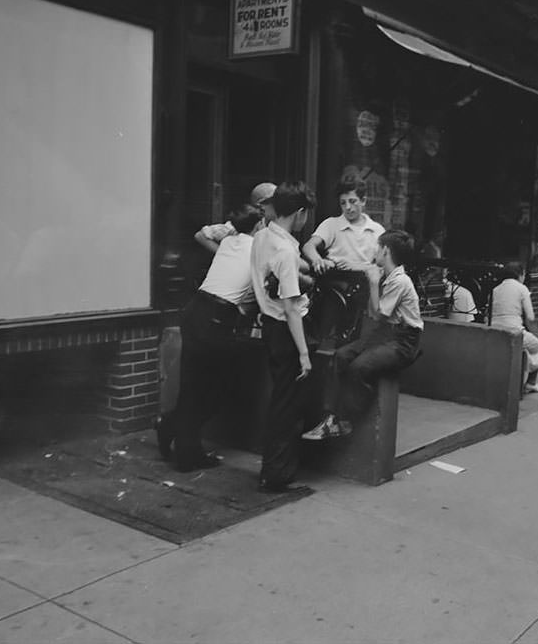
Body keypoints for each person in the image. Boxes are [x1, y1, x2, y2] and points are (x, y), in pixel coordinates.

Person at [156, 204, 263, 472]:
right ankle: (186, 452)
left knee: (194, 385)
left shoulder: (229, 239)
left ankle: (171, 428)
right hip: (217, 318)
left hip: (196, 312)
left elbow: (201, 234)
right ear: (258, 225)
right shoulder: (258, 248)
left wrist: (221, 254)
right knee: (216, 389)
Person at [303, 230, 423, 440]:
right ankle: (330, 418)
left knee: (359, 368)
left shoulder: (400, 281)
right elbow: (374, 313)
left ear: (385, 250)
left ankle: (348, 419)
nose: (374, 251)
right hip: (385, 334)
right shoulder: (386, 276)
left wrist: (374, 282)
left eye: (377, 247)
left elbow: (379, 314)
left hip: (404, 342)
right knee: (340, 356)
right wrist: (372, 281)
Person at [250, 180, 318, 492]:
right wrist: (304, 353)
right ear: (300, 213)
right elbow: (291, 307)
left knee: (279, 399)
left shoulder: (263, 236)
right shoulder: (286, 250)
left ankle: (271, 469)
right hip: (286, 329)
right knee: (286, 406)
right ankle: (278, 472)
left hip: (269, 324)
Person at [301, 175, 384, 274]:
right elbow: (308, 246)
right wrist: (318, 260)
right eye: (343, 203)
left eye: (352, 201)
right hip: (336, 279)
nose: (348, 207)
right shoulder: (331, 224)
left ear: (363, 201)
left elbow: (385, 267)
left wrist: (361, 267)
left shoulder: (377, 230)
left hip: (365, 281)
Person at [491, 261, 538, 393]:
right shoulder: (522, 289)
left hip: (495, 330)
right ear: (520, 274)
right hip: (514, 330)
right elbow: (531, 316)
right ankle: (531, 382)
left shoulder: (496, 289)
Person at [194, 182, 277, 257]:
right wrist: (225, 254)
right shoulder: (248, 223)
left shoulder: (281, 224)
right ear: (260, 206)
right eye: (272, 202)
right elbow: (201, 236)